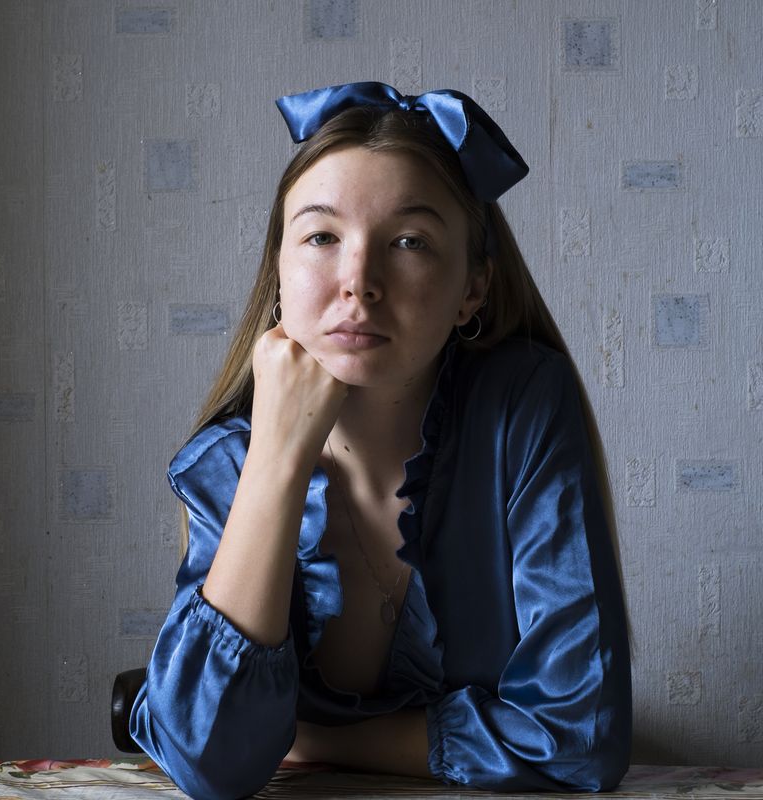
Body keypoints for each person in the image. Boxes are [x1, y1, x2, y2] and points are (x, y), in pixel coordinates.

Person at [130, 81, 632, 800]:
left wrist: (316, 740)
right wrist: (275, 454)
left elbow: (580, 737)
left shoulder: (522, 407)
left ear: (473, 288)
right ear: (279, 273)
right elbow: (208, 762)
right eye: (322, 237)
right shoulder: (228, 462)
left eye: (408, 241)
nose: (358, 283)